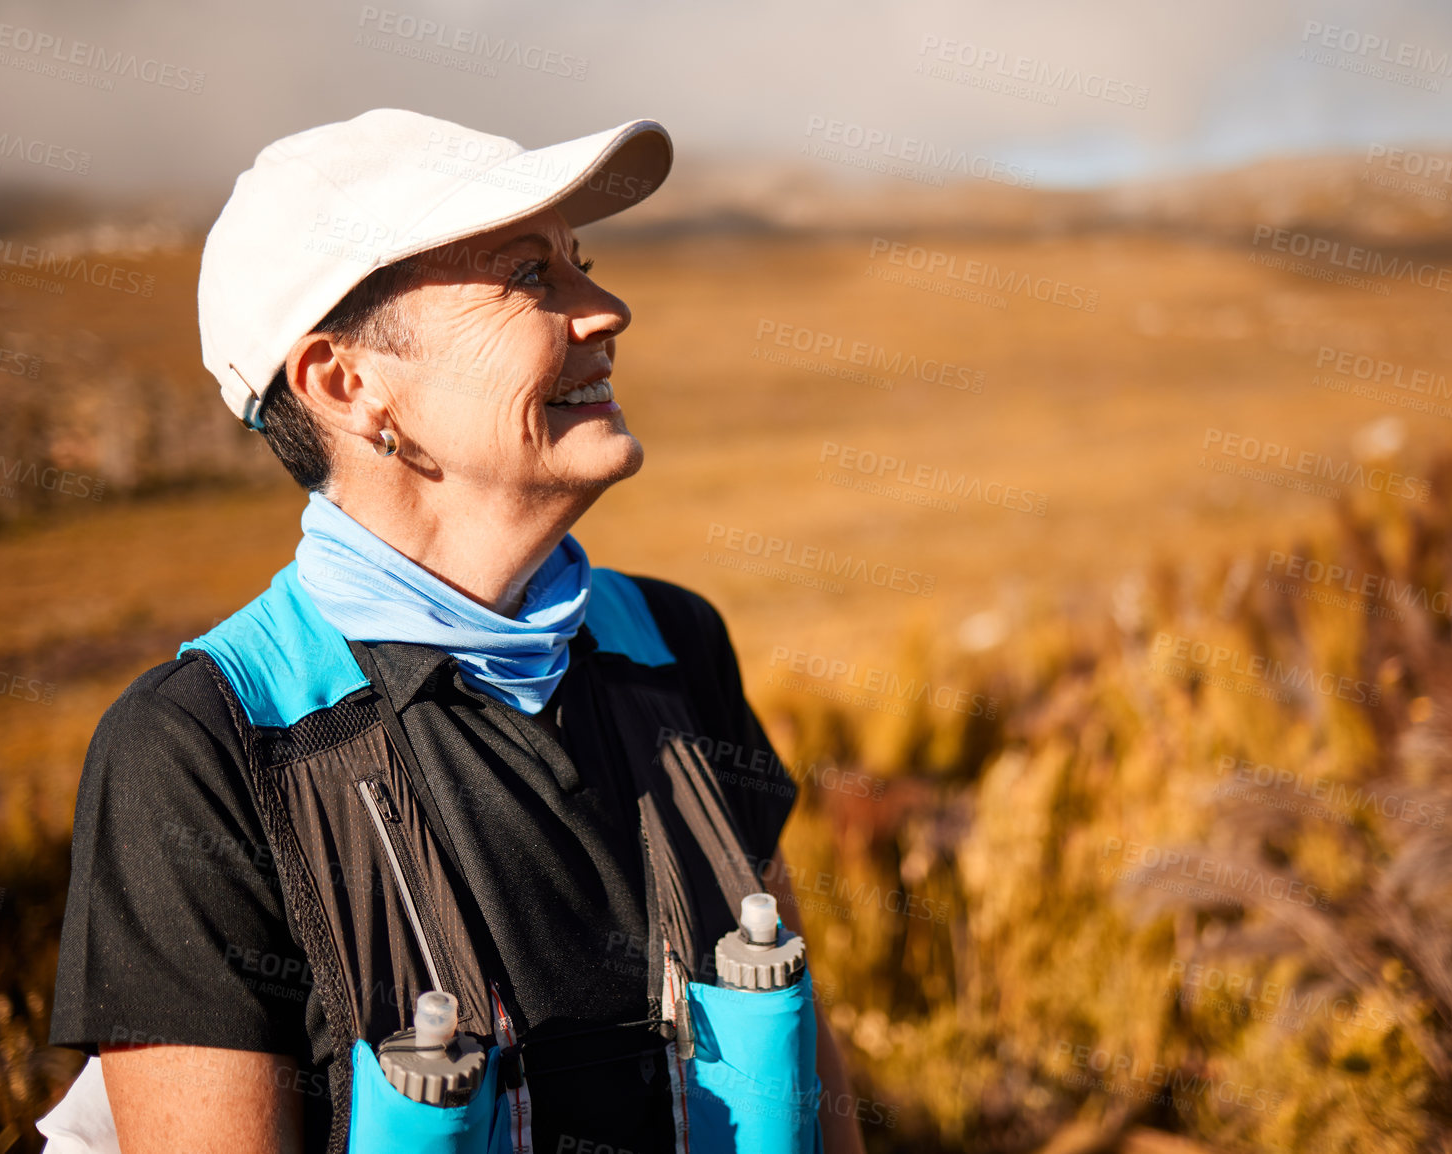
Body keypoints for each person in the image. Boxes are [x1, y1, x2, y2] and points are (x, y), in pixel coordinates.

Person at [44, 108, 866, 1154]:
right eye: (529, 276)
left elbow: (810, 1078)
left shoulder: (676, 645)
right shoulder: (199, 749)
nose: (607, 308)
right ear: (347, 384)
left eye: (583, 262)